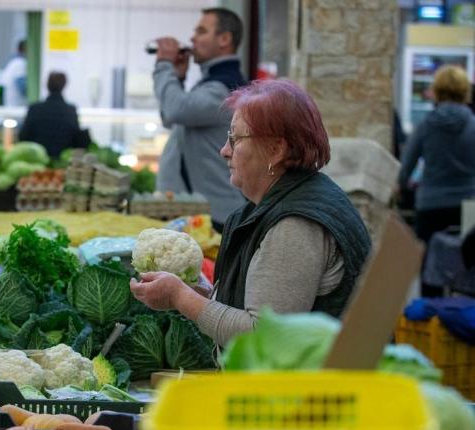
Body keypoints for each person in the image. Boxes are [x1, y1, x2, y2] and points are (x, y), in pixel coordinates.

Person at [130, 79, 371, 346]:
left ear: (276, 150)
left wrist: (180, 297)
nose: (224, 151)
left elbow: (262, 337)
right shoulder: (286, 202)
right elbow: (258, 307)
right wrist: (199, 292)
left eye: (234, 139)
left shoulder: (295, 225)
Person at [153, 7, 248, 230]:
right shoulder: (212, 82)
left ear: (224, 39)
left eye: (201, 31)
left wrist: (164, 66)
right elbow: (171, 117)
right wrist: (177, 78)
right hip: (199, 213)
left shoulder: (225, 87)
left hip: (214, 217)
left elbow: (176, 109)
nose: (192, 38)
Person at [398, 65, 475, 297]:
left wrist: (402, 187)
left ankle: (430, 321)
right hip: (467, 207)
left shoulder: (426, 124)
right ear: (465, 91)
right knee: (467, 267)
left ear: (437, 90)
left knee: (430, 270)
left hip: (431, 205)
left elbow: (406, 167)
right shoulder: (473, 124)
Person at [19, 71, 90, 158]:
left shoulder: (35, 108)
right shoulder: (70, 110)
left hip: (37, 161)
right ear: (64, 85)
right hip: (62, 163)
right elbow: (76, 139)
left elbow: (23, 137)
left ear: (47, 85)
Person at [0, 39, 28, 106]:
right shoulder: (21, 64)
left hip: (9, 106)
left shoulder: (13, 63)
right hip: (14, 107)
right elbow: (24, 89)